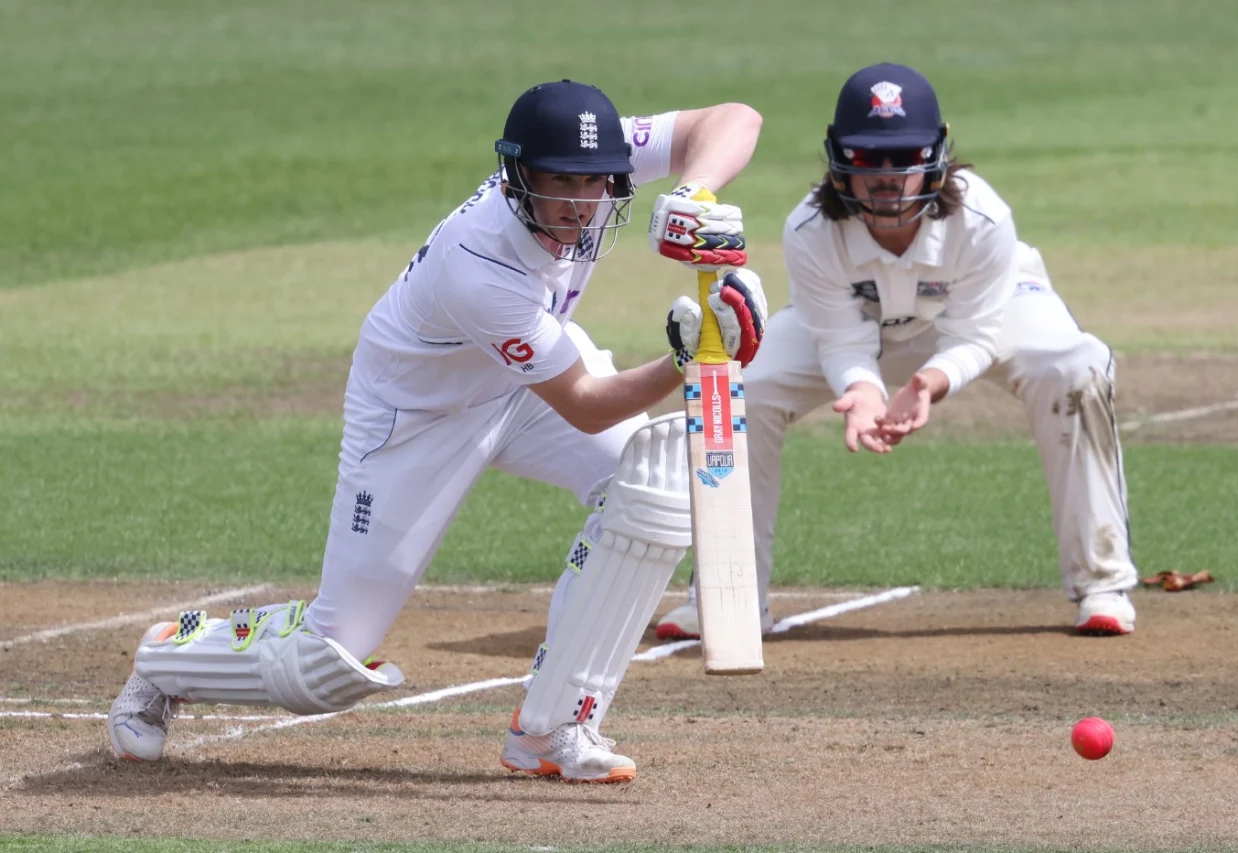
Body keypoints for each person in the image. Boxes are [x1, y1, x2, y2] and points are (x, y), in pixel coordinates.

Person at [107, 79, 768, 783]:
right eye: (559, 182)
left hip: (519, 385)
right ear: (518, 176)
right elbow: (586, 403)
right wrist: (687, 355)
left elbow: (735, 118)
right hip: (416, 416)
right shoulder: (477, 264)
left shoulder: (599, 165)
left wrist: (692, 195)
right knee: (324, 663)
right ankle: (166, 660)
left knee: (650, 485)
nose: (580, 203)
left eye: (594, 182)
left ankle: (552, 727)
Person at [656, 63, 1138, 641]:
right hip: (863, 325)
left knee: (1075, 366)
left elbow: (977, 335)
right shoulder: (810, 230)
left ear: (936, 154)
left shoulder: (982, 220)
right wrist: (861, 390)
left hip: (982, 312)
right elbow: (840, 338)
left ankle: (1102, 582)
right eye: (869, 159)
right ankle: (725, 595)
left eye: (905, 156)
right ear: (839, 159)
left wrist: (929, 383)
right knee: (744, 385)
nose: (889, 176)